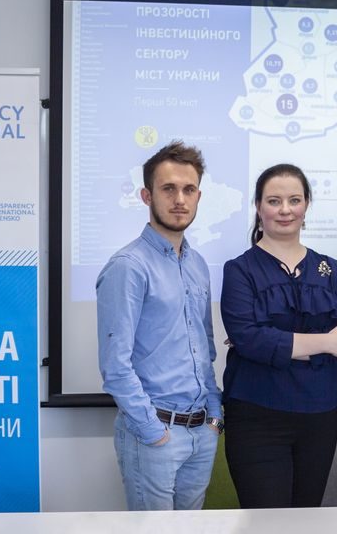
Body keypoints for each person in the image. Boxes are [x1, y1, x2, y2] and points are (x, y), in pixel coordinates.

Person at [219, 164, 337, 508]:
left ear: (306, 205)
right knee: (266, 524)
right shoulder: (239, 270)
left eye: (294, 200)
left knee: (305, 521)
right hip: (256, 417)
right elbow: (249, 339)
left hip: (318, 417)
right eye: (274, 201)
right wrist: (323, 342)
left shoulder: (330, 269)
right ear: (258, 207)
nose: (285, 209)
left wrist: (277, 341)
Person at [96, 140, 222, 511]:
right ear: (147, 196)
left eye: (188, 189)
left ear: (199, 196)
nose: (180, 199)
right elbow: (115, 366)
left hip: (201, 431)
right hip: (156, 434)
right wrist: (152, 430)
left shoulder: (197, 264)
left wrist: (215, 416)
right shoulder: (128, 266)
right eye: (168, 189)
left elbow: (205, 348)